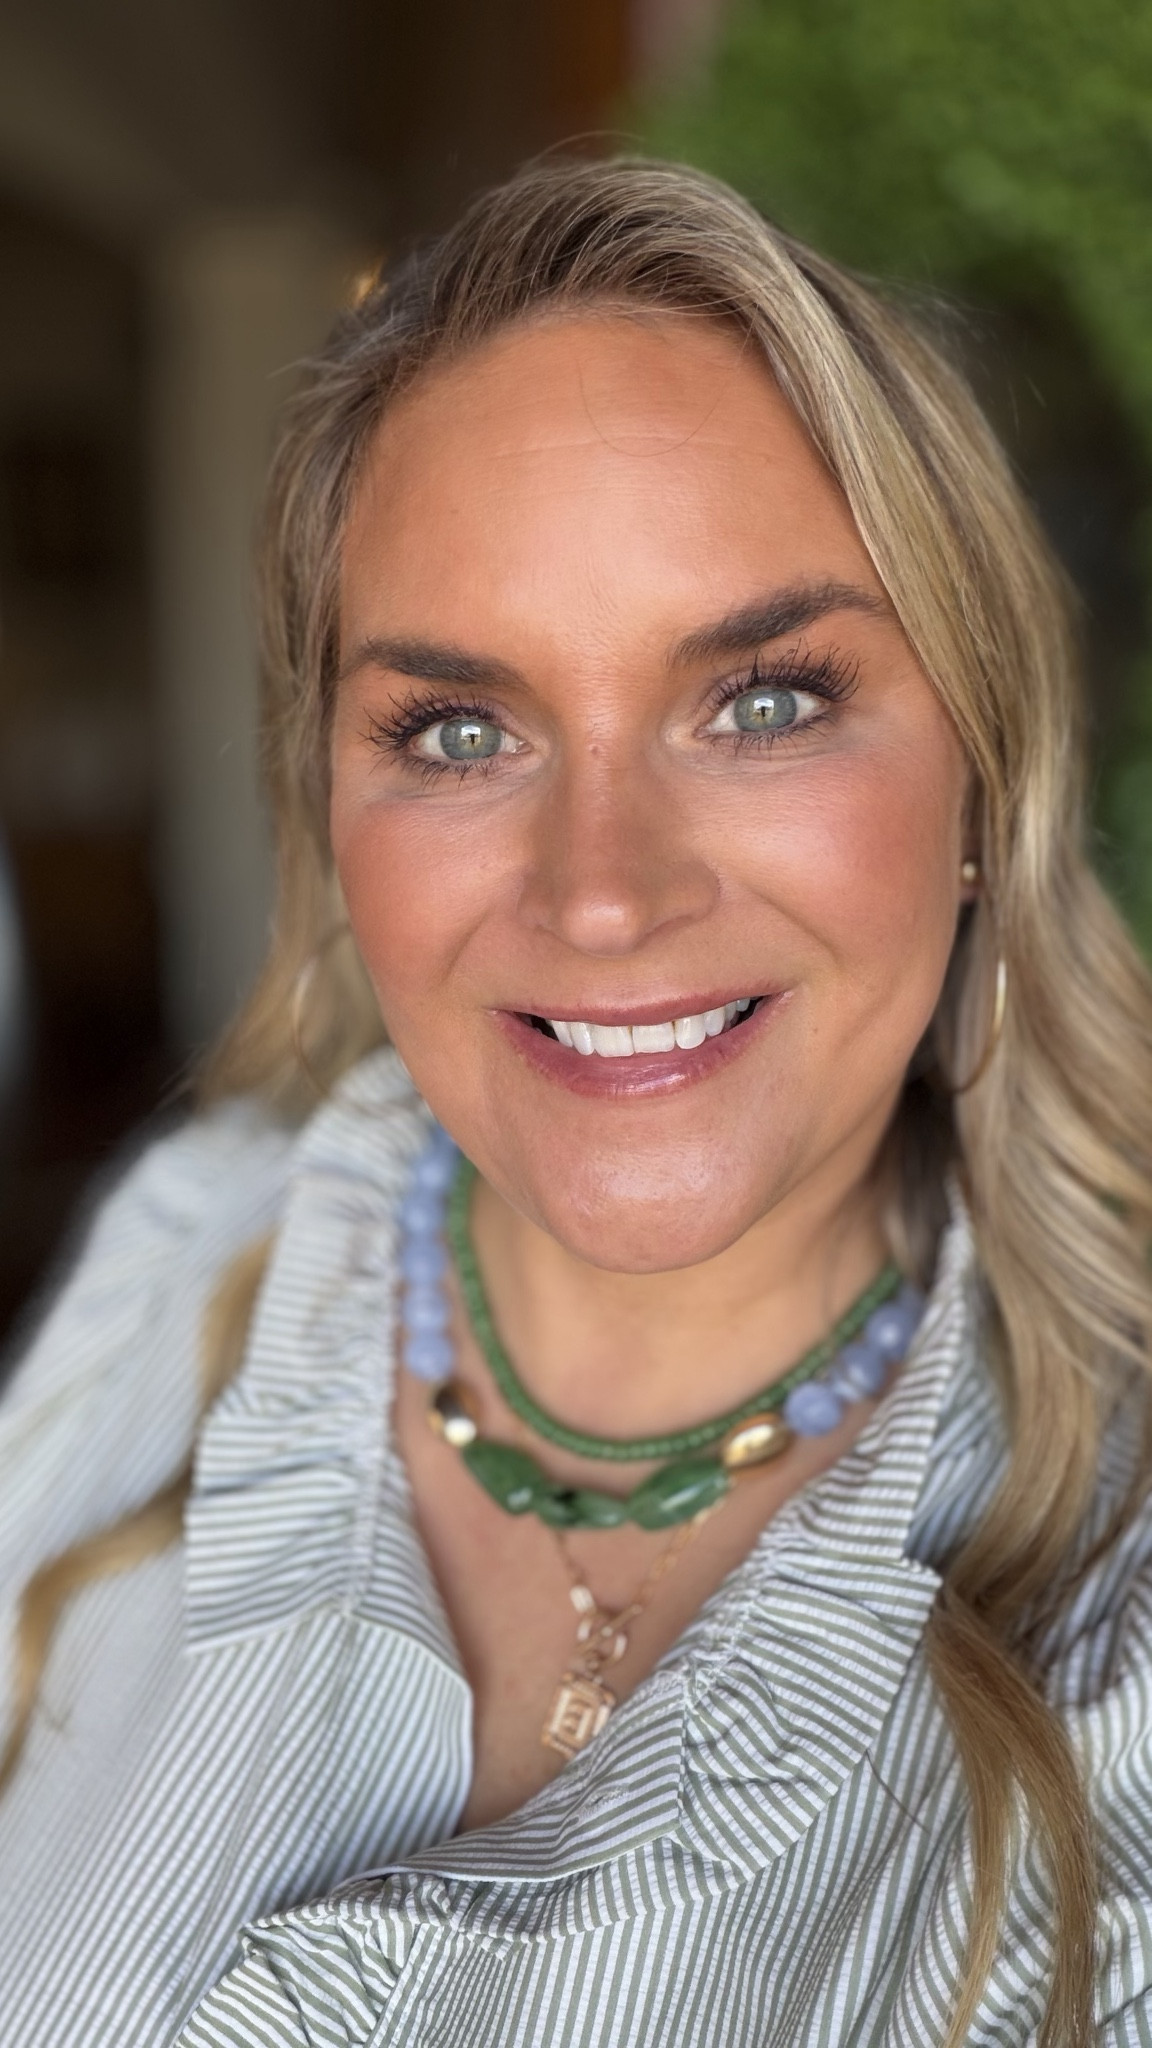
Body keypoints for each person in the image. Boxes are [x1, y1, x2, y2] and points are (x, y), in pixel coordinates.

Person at [1, 158, 1150, 2048]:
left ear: (981, 779)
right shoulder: (194, 1248)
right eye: (459, 730)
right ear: (333, 811)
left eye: (764, 699)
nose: (600, 890)